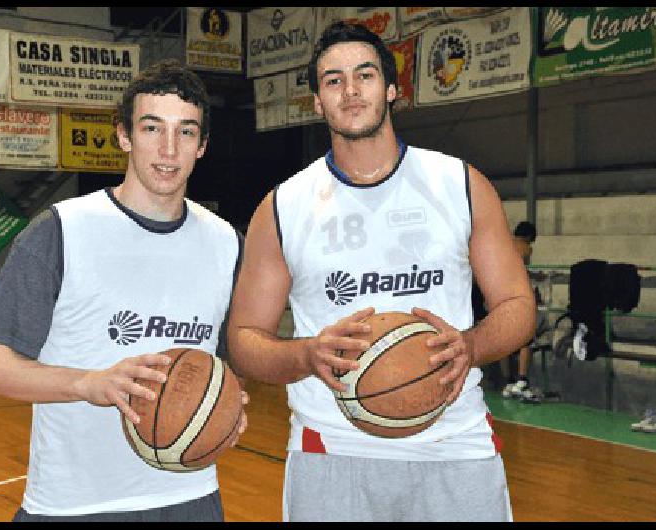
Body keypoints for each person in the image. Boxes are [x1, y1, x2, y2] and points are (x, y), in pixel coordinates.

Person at [227, 22, 536, 522]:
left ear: (393, 90)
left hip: (455, 443)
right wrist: (306, 355)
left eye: (365, 75)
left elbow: (518, 307)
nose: (350, 91)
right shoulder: (283, 206)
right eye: (333, 80)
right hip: (332, 446)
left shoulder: (459, 183)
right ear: (316, 102)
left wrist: (473, 346)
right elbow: (243, 339)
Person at [0, 59, 247, 522]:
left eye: (186, 132)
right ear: (124, 136)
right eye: (152, 128)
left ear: (203, 145)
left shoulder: (225, 241)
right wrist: (86, 383)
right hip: (77, 504)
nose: (168, 149)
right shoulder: (62, 231)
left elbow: (224, 359)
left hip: (191, 495)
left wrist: (227, 406)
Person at [501, 221, 542, 403]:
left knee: (504, 341)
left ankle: (508, 383)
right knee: (526, 339)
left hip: (499, 297)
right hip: (517, 297)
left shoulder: (503, 245)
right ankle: (522, 380)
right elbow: (519, 273)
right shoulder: (525, 248)